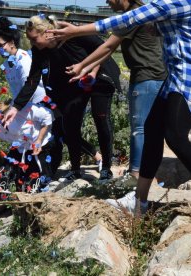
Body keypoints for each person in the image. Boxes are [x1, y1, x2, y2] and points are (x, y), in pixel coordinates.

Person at [47, 0, 191, 214]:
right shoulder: (164, 6)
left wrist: (76, 31)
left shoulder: (180, 2)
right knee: (152, 131)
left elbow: (127, 20)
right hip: (173, 77)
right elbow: (120, 36)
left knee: (175, 136)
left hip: (188, 77)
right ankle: (139, 202)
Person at [55, 0, 167, 180]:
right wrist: (85, 68)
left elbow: (107, 45)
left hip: (146, 76)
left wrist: (82, 62)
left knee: (140, 129)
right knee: (152, 129)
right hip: (155, 76)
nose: (107, 1)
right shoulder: (143, 12)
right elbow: (110, 47)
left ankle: (136, 175)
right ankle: (145, 176)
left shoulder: (133, 15)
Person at [3, 15, 121, 183]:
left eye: (34, 39)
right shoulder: (39, 50)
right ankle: (75, 169)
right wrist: (15, 107)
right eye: (29, 40)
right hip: (75, 81)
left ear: (46, 32)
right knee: (70, 124)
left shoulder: (71, 34)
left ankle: (107, 168)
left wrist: (92, 72)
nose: (32, 44)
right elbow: (32, 80)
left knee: (99, 116)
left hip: (100, 74)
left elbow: (103, 49)